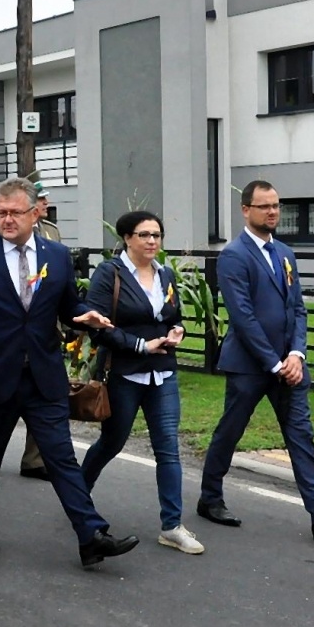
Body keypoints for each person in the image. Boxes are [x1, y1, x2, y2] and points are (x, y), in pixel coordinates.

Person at [0, 177, 138, 569]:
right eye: (0, 213)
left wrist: (83, 318)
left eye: (14, 213)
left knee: (60, 457)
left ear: (35, 212)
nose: (6, 220)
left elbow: (67, 306)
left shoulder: (56, 256)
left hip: (43, 375)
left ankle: (90, 535)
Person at [198, 180, 314, 543]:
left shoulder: (285, 254)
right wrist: (273, 363)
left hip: (288, 368)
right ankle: (210, 497)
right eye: (264, 206)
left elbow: (297, 309)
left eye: (276, 206)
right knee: (231, 431)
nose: (273, 212)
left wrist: (296, 354)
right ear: (246, 210)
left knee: (301, 437)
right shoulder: (234, 256)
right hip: (250, 366)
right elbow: (243, 318)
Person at [79, 211, 204, 555]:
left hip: (162, 371)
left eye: (157, 235)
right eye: (145, 235)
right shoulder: (110, 273)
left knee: (168, 448)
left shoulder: (164, 274)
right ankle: (78, 495)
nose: (152, 241)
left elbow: (172, 316)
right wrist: (139, 345)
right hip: (124, 373)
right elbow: (96, 325)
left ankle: (172, 525)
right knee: (112, 443)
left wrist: (177, 331)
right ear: (127, 238)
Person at [19, 181, 65, 481]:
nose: (46, 205)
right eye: (42, 200)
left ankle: (35, 460)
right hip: (14, 336)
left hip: (46, 330)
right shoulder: (1, 236)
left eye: (46, 200)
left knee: (45, 396)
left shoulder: (52, 233)